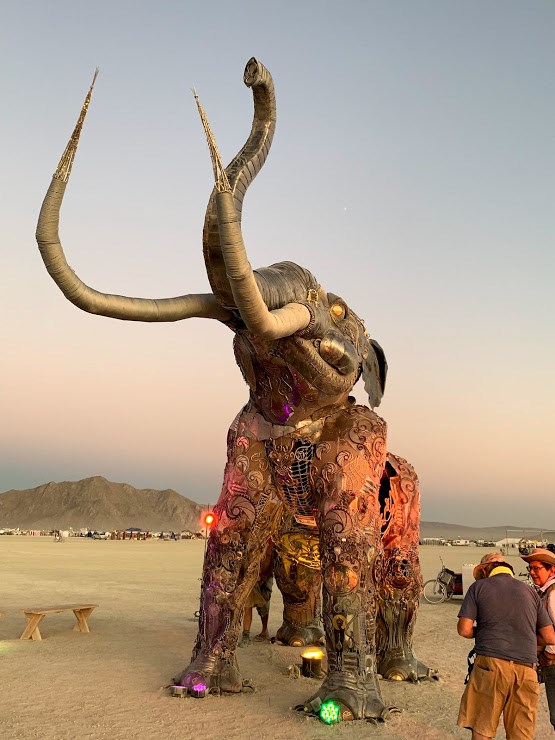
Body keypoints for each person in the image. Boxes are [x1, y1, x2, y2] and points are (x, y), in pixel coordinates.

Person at [456, 552, 555, 740]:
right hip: (527, 670)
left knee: (482, 728)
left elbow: (464, 629)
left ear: (485, 570)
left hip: (490, 667)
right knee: (521, 734)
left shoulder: (479, 587)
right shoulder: (530, 592)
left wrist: (484, 631)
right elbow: (551, 637)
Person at [521, 547, 555, 731]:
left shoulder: (553, 593)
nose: (532, 572)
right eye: (530, 569)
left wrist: (548, 656)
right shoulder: (546, 591)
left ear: (552, 569)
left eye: (537, 568)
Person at [240, 540, 274, 646]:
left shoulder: (270, 541)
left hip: (265, 575)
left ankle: (264, 630)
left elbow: (272, 560)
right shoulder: (249, 539)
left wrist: (264, 576)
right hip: (250, 575)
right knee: (247, 605)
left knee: (264, 604)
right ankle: (246, 634)